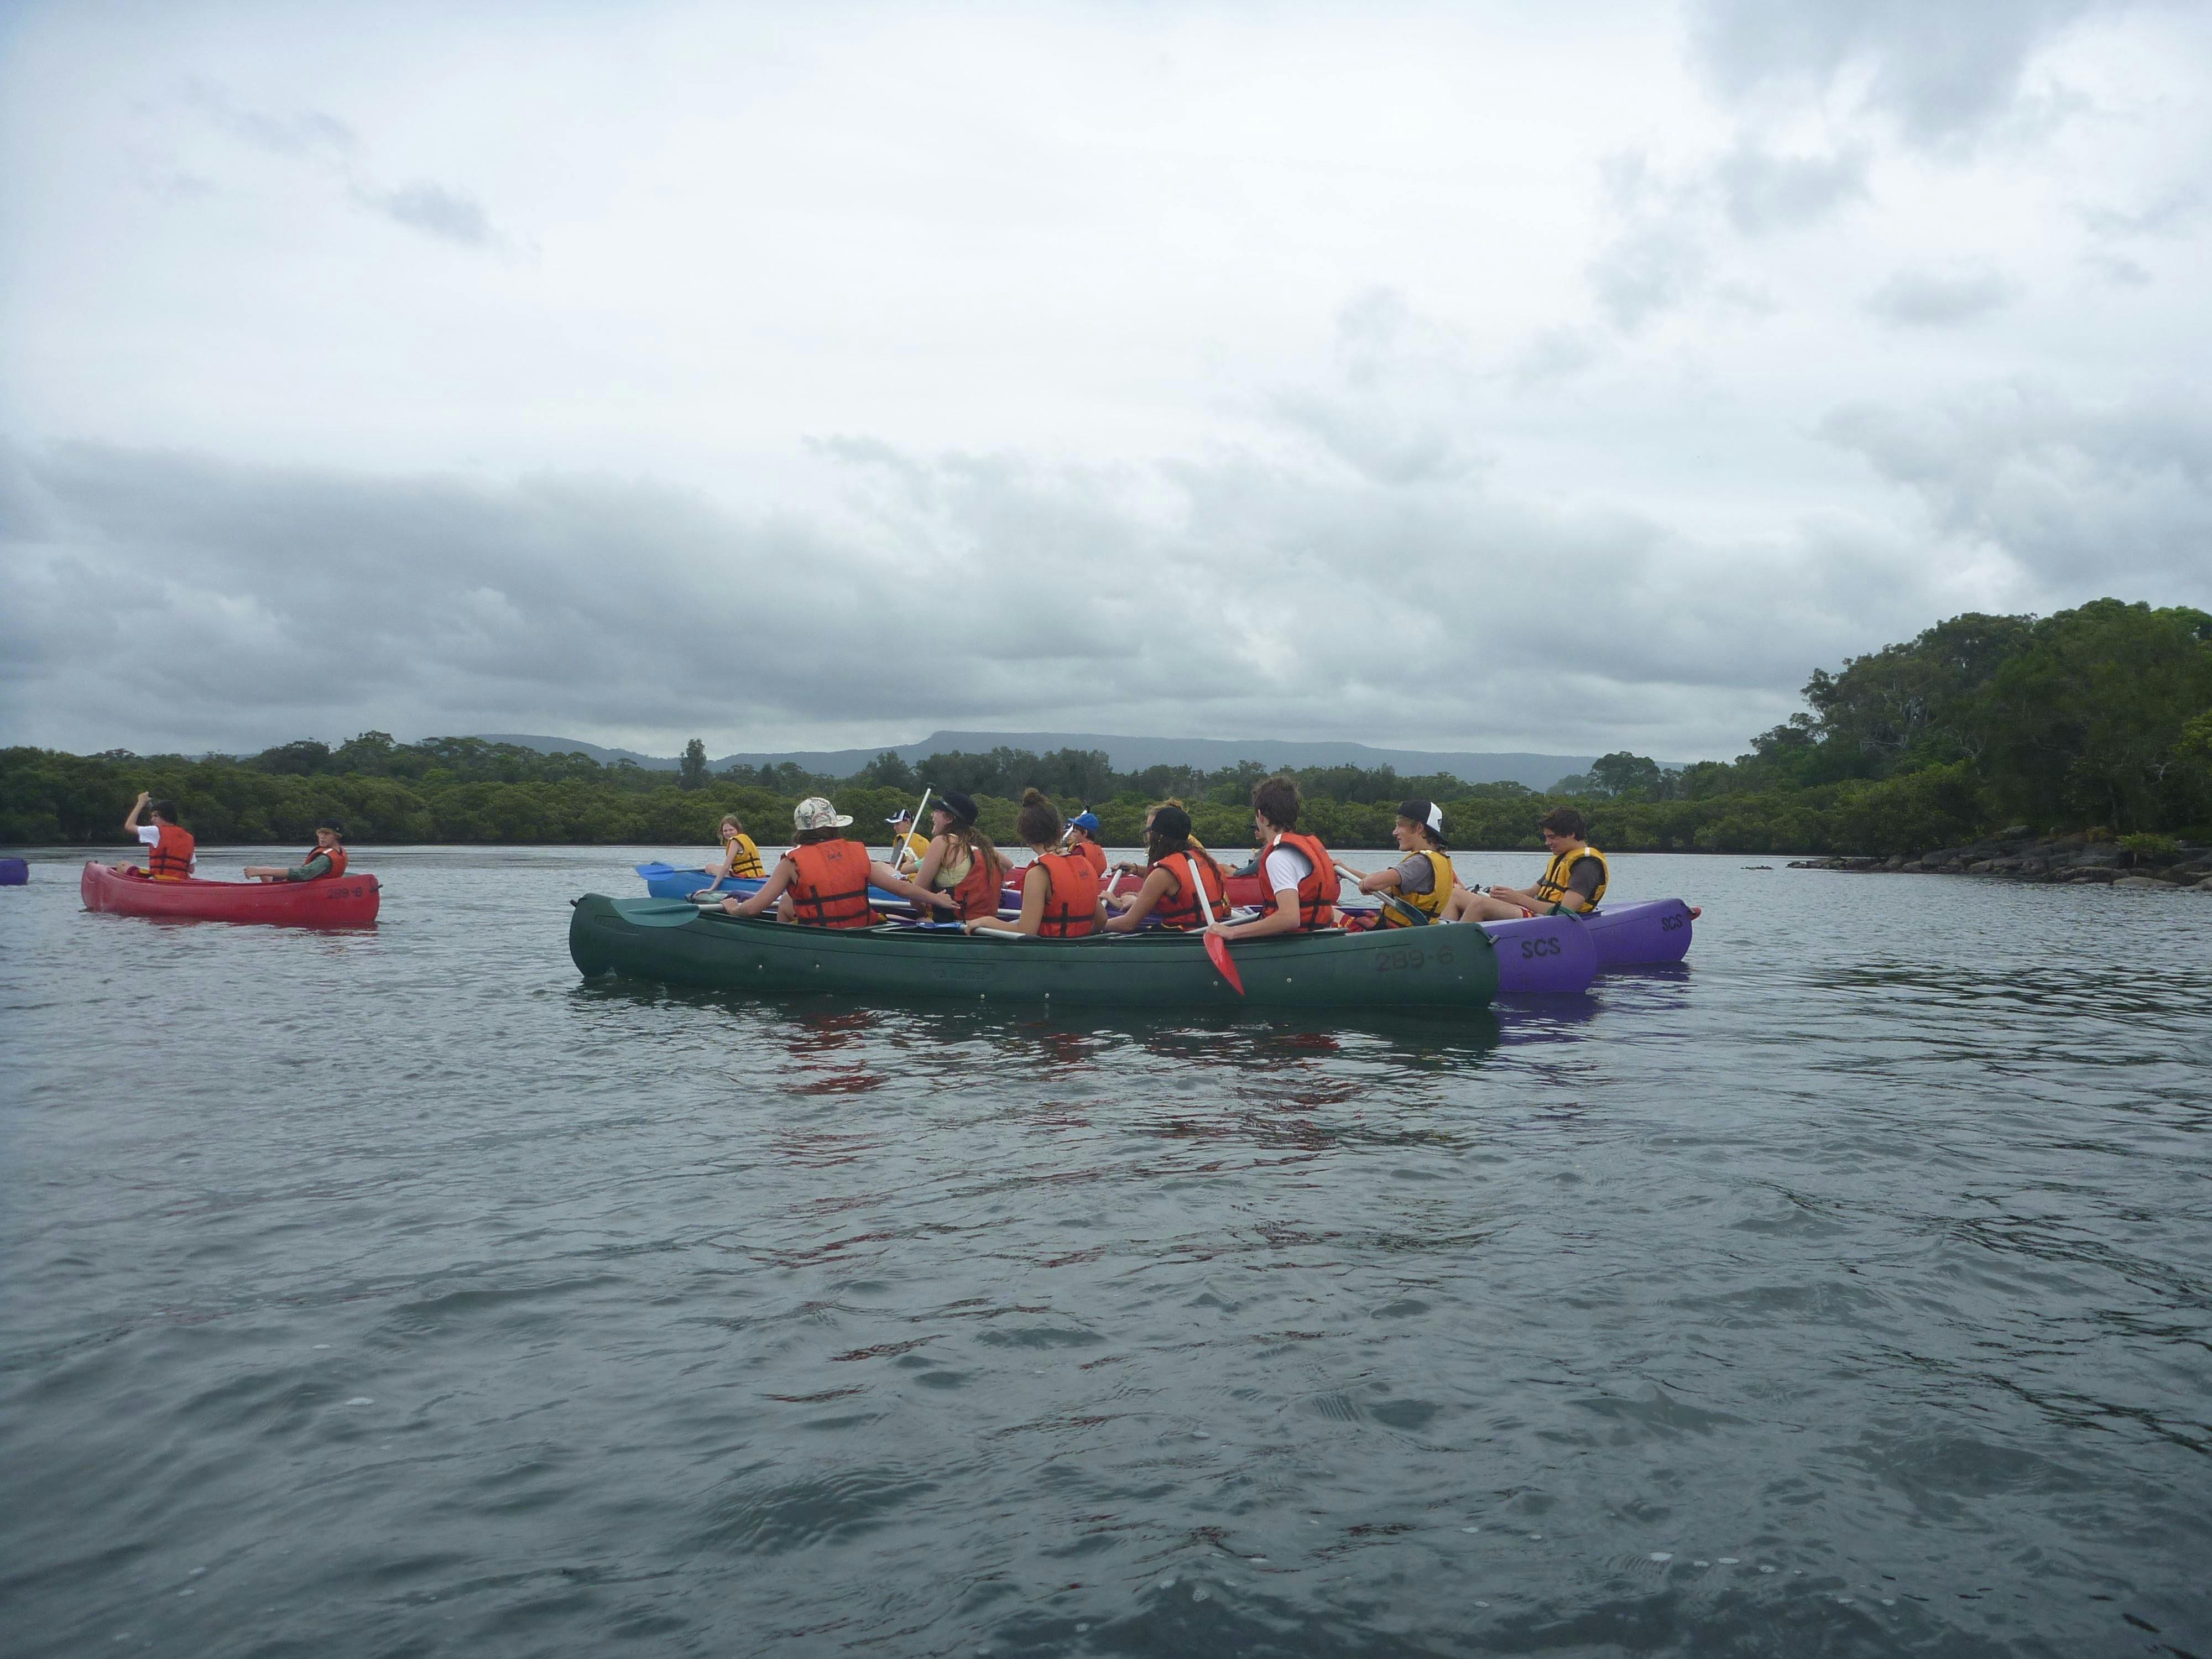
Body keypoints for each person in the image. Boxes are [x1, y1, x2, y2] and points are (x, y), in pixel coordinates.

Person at [719, 797, 953, 927]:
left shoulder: (790, 863)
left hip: (822, 934)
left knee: (787, 905)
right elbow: (901, 887)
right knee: (788, 902)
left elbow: (753, 909)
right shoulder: (856, 854)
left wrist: (733, 910)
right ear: (833, 826)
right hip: (862, 929)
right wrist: (937, 900)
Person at [1204, 774, 1339, 941]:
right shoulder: (1305, 849)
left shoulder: (1278, 858)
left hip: (1294, 943)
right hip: (1317, 937)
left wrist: (1233, 932)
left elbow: (1290, 918)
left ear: (1261, 816)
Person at [970, 790, 1103, 937]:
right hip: (1079, 948)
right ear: (1059, 831)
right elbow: (1102, 920)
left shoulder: (1038, 874)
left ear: (1027, 837)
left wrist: (985, 921)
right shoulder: (1085, 864)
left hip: (1051, 953)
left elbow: (1027, 931)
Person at [1443, 805, 1608, 921]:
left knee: (1480, 905)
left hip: (1547, 921)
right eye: (1546, 837)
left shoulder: (1587, 865)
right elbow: (1532, 892)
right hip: (1537, 914)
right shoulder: (1563, 858)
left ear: (1572, 834)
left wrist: (1516, 899)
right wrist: (1504, 895)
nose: (1547, 843)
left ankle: (1453, 947)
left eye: (1552, 837)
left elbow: (1565, 912)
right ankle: (1440, 938)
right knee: (1454, 894)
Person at [1103, 803, 1228, 932]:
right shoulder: (1204, 860)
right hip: (1206, 930)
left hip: (1184, 937)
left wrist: (1094, 926)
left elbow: (1127, 924)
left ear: (1160, 837)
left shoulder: (1162, 873)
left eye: (1152, 833)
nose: (1149, 837)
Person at [1337, 800, 1456, 928]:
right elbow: (1388, 889)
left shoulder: (1419, 862)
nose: (1395, 832)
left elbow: (1373, 883)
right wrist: (1347, 871)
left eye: (1400, 825)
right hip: (1411, 930)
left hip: (1394, 934)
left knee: (1327, 913)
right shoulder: (1437, 859)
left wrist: (1367, 884)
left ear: (1419, 828)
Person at [910, 790, 1009, 922]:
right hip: (983, 927)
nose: (932, 815)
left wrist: (925, 912)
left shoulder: (942, 842)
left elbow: (914, 896)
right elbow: (1009, 864)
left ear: (949, 818)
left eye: (937, 811)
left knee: (917, 920)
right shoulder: (981, 847)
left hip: (951, 929)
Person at [113, 792, 195, 880]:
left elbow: (129, 826)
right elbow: (191, 869)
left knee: (123, 865)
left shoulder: (156, 831)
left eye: (156, 816)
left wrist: (140, 803)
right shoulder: (189, 838)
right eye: (152, 816)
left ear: (166, 816)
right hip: (180, 882)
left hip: (160, 881)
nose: (152, 820)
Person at [244, 820, 349, 883]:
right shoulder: (339, 852)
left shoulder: (326, 859)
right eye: (320, 833)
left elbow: (303, 874)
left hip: (305, 889)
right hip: (312, 886)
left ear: (336, 836)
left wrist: (259, 871)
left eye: (327, 834)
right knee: (266, 871)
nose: (322, 837)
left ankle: (269, 904)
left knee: (264, 872)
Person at [706, 813, 765, 880]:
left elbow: (726, 867)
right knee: (723, 868)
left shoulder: (735, 841)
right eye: (725, 831)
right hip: (760, 876)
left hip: (746, 878)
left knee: (709, 867)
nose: (728, 833)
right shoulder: (745, 838)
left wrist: (712, 889)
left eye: (731, 830)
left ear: (737, 829)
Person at [1063, 810, 1109, 880]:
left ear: (1085, 833)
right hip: (1094, 883)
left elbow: (1069, 871)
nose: (1074, 835)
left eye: (1076, 832)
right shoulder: (1099, 850)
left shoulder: (1080, 851)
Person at [883, 807, 930, 873]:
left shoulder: (903, 840)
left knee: (878, 865)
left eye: (897, 824)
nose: (894, 828)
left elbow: (893, 867)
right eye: (894, 825)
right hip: (923, 878)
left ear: (908, 823)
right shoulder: (925, 841)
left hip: (908, 879)